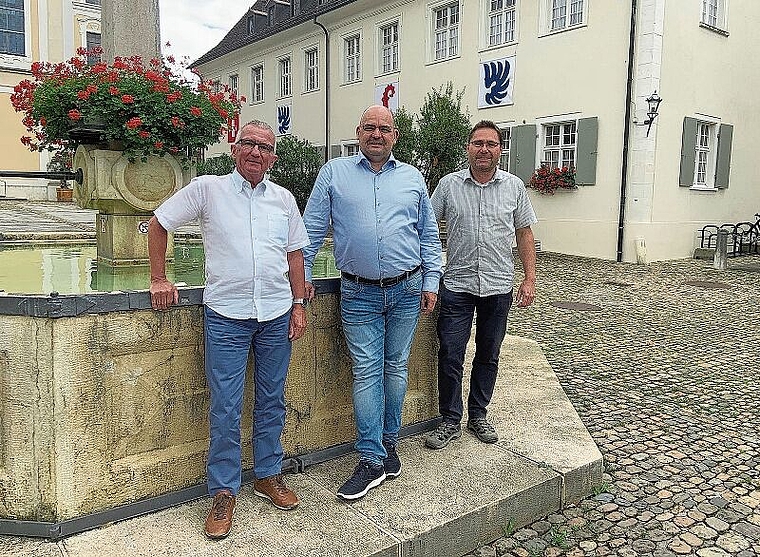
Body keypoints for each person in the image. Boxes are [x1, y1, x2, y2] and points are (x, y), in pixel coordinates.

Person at [148, 120, 309, 539]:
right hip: (226, 317)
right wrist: (158, 278)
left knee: (272, 400)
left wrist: (298, 304)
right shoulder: (208, 189)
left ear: (274, 157)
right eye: (249, 144)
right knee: (225, 406)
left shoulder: (284, 199)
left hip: (275, 315)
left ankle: (268, 474)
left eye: (266, 147)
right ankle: (223, 491)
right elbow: (159, 222)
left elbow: (295, 255)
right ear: (235, 149)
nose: (257, 152)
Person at [302, 105, 442, 500]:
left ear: (395, 136)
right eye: (369, 128)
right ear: (358, 132)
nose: (376, 134)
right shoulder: (334, 173)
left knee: (396, 366)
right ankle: (370, 458)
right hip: (359, 291)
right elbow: (311, 230)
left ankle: (389, 445)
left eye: (384, 128)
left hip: (408, 287)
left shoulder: (413, 177)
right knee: (367, 371)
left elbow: (429, 237)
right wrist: (302, 280)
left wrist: (432, 281)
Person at [424, 120, 537, 450]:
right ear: (468, 148)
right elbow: (427, 230)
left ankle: (478, 415)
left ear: (500, 149)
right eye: (478, 143)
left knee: (488, 354)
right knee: (450, 354)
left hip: (499, 286)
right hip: (457, 285)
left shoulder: (514, 187)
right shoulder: (448, 186)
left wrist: (529, 279)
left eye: (491, 143)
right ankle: (449, 420)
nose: (484, 149)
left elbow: (524, 233)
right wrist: (428, 275)